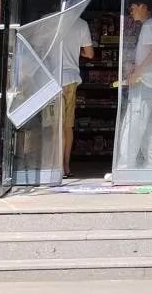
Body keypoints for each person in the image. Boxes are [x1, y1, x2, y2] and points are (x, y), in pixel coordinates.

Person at [114, 0, 152, 171]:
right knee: (150, 128)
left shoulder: (149, 26)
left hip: (144, 84)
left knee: (132, 125)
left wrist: (136, 73)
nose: (131, 11)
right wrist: (136, 68)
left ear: (143, 6)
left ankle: (124, 168)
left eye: (133, 8)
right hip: (151, 83)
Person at [60, 14, 94, 179]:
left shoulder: (51, 20)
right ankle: (66, 166)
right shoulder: (81, 24)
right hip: (71, 79)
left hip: (51, 79)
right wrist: (75, 50)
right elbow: (90, 53)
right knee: (68, 126)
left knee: (55, 127)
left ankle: (55, 166)